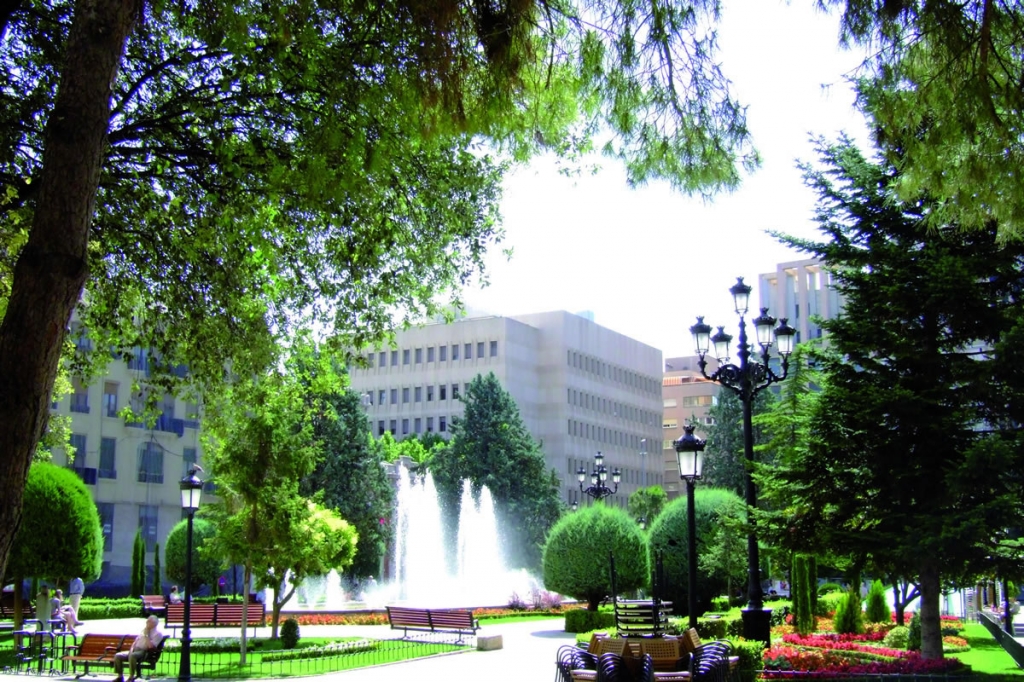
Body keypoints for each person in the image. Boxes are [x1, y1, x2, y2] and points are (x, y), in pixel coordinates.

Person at [113, 615, 163, 682]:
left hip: (144, 651)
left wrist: (146, 635)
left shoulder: (158, 634)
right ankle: (120, 676)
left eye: (149, 621)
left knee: (133, 656)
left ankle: (131, 676)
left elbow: (150, 647)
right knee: (118, 656)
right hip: (134, 649)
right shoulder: (144, 630)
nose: (146, 622)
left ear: (154, 623)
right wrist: (131, 649)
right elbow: (136, 641)